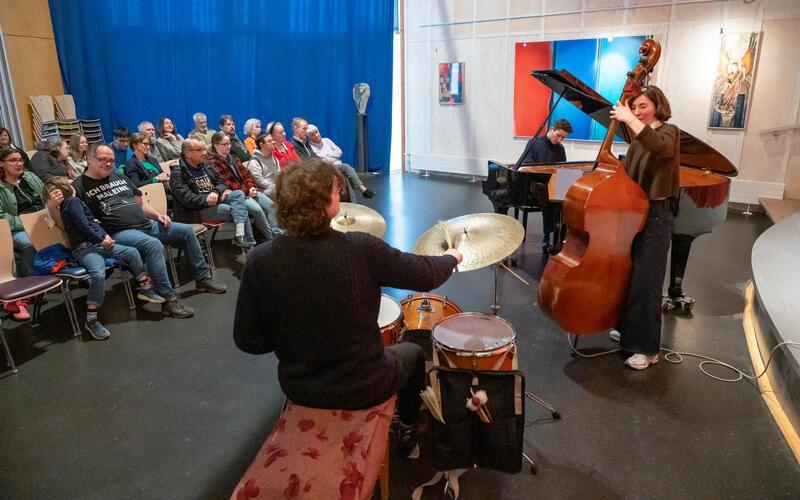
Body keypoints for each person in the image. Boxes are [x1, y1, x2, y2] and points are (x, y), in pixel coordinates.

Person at [233, 158, 463, 457]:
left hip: (300, 387)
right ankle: (408, 428)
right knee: (414, 352)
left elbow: (247, 340)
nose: (339, 194)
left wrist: (294, 338)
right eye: (335, 191)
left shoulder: (260, 260)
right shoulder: (360, 249)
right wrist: (453, 257)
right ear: (327, 204)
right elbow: (424, 274)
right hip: (364, 386)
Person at [72, 144, 226, 318]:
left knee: (186, 231)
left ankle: (202, 279)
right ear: (89, 159)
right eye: (102, 160)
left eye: (111, 160)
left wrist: (158, 215)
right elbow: (81, 219)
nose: (108, 164)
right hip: (119, 233)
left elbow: (141, 203)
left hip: (146, 224)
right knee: (153, 245)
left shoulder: (117, 176)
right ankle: (169, 300)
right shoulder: (79, 186)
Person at [608, 85, 680, 370]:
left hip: (656, 216)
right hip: (635, 214)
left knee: (648, 284)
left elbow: (659, 148)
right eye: (634, 107)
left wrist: (629, 119)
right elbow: (631, 172)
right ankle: (630, 332)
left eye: (642, 107)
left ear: (657, 106)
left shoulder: (668, 133)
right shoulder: (640, 138)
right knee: (632, 277)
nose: (637, 112)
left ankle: (648, 350)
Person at [41, 177, 165, 340]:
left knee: (131, 253)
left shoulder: (74, 202)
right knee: (98, 274)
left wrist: (104, 235)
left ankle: (145, 286)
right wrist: (101, 239)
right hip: (85, 248)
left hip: (99, 244)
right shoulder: (72, 203)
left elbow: (91, 223)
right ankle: (91, 319)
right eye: (69, 183)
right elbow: (83, 227)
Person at [493, 118, 573, 252]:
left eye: (563, 138)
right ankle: (547, 237)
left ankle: (558, 238)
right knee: (549, 202)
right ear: (551, 129)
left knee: (564, 202)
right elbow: (528, 164)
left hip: (550, 185)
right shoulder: (534, 143)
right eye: (558, 135)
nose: (560, 140)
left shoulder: (560, 148)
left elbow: (562, 168)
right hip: (533, 186)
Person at [169, 138, 254, 249]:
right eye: (200, 150)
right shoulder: (178, 174)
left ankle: (240, 236)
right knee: (242, 212)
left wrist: (216, 192)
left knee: (238, 194)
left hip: (213, 202)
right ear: (188, 153)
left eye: (204, 149)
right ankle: (250, 245)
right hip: (196, 211)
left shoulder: (205, 165)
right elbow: (188, 200)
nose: (204, 153)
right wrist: (218, 197)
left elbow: (221, 181)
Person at [0, 147, 51, 320]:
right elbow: (2, 217)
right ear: (2, 164)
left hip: (42, 220)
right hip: (16, 229)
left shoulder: (30, 177)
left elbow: (46, 195)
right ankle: (30, 290)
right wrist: (26, 222)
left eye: (20, 159)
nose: (19, 163)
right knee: (29, 243)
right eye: (13, 160)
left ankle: (65, 269)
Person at [208, 132, 280, 240]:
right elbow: (225, 182)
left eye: (229, 144)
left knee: (271, 206)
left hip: (247, 191)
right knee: (257, 210)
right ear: (216, 145)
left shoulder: (234, 158)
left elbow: (247, 175)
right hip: (235, 194)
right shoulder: (213, 161)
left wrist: (251, 187)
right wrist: (247, 191)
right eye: (225, 144)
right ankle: (271, 238)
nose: (228, 146)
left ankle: (277, 232)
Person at [308, 123, 376, 199]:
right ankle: (363, 190)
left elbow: (339, 152)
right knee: (346, 167)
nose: (316, 135)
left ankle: (355, 199)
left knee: (345, 177)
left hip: (338, 166)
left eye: (316, 132)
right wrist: (333, 156)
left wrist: (327, 156)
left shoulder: (327, 141)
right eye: (312, 134)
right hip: (328, 168)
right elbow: (324, 161)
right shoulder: (311, 147)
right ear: (309, 137)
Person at [245, 133, 279, 200]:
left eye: (273, 140)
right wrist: (276, 186)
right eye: (269, 141)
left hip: (276, 186)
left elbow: (279, 173)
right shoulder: (254, 161)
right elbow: (260, 181)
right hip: (264, 190)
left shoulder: (274, 158)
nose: (273, 142)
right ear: (261, 145)